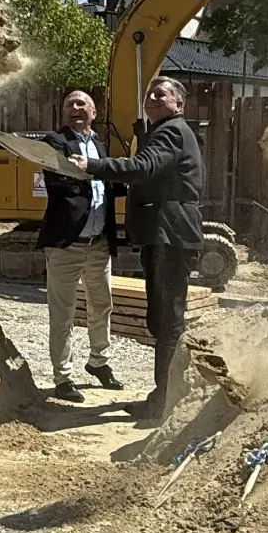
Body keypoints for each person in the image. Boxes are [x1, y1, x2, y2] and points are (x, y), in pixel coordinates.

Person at [73, 76, 203, 420]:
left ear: (179, 102)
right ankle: (166, 393)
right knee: (162, 319)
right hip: (167, 235)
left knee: (168, 321)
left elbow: (143, 168)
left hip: (169, 236)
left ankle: (165, 400)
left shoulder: (171, 131)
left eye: (161, 94)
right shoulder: (169, 131)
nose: (152, 98)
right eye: (149, 94)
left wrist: (94, 167)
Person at [38, 90, 124, 402]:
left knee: (102, 305)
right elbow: (62, 180)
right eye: (69, 104)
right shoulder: (55, 142)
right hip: (67, 243)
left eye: (81, 103)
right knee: (63, 312)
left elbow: (109, 181)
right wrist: (94, 169)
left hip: (98, 243)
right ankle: (63, 377)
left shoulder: (100, 145)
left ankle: (98, 362)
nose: (75, 108)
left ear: (94, 111)